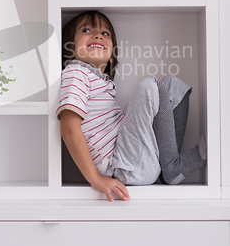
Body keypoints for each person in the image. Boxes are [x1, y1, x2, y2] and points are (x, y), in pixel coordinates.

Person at [56, 10, 207, 202]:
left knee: (173, 87)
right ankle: (172, 167)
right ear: (70, 48)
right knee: (149, 86)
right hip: (121, 166)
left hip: (132, 158)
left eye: (105, 34)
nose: (97, 35)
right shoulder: (75, 73)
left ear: (111, 56)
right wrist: (96, 179)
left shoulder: (102, 81)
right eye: (87, 30)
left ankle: (169, 168)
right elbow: (69, 128)